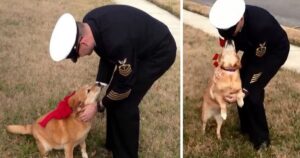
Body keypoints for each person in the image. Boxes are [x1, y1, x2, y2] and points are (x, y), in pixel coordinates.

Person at [49, 5, 176, 158]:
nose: (80, 58)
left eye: (77, 55)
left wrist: (98, 106)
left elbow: (125, 87)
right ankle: (113, 144)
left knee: (126, 101)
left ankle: (126, 154)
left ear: (83, 42)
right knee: (113, 94)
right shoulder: (90, 23)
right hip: (136, 47)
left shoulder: (117, 41)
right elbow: (107, 53)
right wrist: (100, 85)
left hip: (159, 52)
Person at [209, 0, 290, 150]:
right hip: (254, 49)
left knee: (252, 92)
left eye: (234, 31)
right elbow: (230, 49)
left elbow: (258, 65)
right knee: (237, 84)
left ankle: (261, 139)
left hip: (273, 52)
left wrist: (244, 90)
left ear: (240, 19)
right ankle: (246, 126)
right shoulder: (230, 24)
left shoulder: (261, 25)